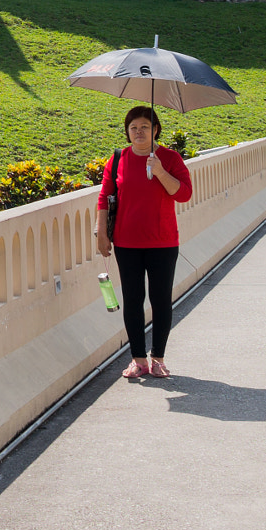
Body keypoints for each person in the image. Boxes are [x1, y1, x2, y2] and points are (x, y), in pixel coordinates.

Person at [95, 105, 193, 379]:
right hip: (127, 242)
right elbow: (104, 198)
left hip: (162, 242)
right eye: (133, 128)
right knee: (133, 300)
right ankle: (138, 359)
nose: (139, 132)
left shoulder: (169, 158)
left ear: (156, 130)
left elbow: (184, 194)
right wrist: (101, 233)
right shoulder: (117, 160)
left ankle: (158, 358)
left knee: (161, 300)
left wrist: (160, 171)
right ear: (127, 132)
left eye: (145, 127)